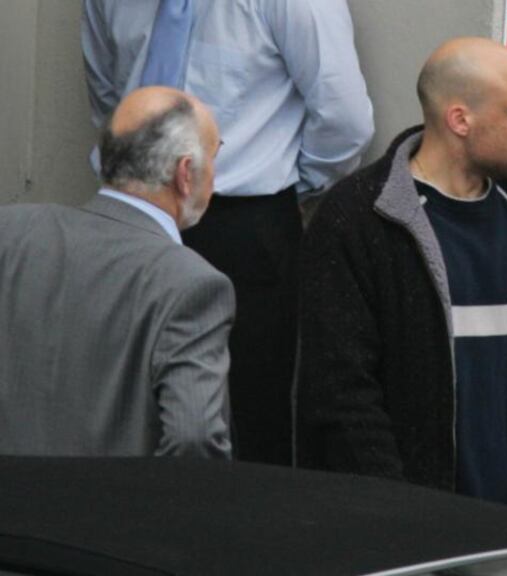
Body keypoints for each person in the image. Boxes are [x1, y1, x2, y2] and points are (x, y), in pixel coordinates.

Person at [295, 37, 507, 520]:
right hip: (421, 537)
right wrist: (405, 522)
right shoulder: (359, 220)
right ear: (459, 120)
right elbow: (343, 398)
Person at [81, 0, 375, 465]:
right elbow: (108, 96)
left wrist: (282, 185)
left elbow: (345, 120)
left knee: (246, 412)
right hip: (127, 213)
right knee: (113, 392)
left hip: (242, 226)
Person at [0, 86, 232, 459]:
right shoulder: (191, 284)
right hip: (114, 513)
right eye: (214, 156)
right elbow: (194, 438)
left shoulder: (10, 233)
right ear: (185, 174)